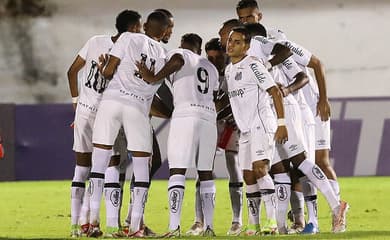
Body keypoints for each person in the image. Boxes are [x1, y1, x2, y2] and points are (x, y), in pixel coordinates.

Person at [236, 0, 348, 233]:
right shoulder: (243, 57)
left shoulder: (262, 41)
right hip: (267, 113)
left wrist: (268, 66)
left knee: (303, 164)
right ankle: (280, 226)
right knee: (282, 169)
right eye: (241, 19)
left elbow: (291, 56)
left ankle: (334, 208)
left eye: (232, 38)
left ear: (258, 17)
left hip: (288, 108)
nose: (230, 42)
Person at [87, 11, 170, 238]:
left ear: (145, 25)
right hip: (138, 108)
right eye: (169, 29)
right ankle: (135, 227)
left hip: (111, 102)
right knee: (143, 166)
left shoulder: (126, 38)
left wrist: (104, 67)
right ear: (164, 31)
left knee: (99, 163)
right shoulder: (165, 53)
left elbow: (109, 71)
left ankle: (93, 223)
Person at [66, 9, 141, 238]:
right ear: (133, 29)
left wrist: (76, 105)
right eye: (139, 28)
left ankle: (77, 227)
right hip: (107, 116)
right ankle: (105, 225)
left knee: (82, 169)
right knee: (110, 167)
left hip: (84, 114)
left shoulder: (95, 41)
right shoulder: (128, 53)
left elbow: (71, 72)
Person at [137, 33, 220, 237]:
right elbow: (216, 95)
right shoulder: (211, 67)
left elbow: (177, 60)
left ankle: (174, 228)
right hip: (209, 117)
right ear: (199, 49)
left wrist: (154, 78)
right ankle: (209, 227)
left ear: (183, 44)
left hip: (185, 114)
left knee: (177, 171)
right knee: (206, 173)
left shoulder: (179, 52)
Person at [225, 26, 288, 236]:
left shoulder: (253, 64)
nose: (231, 45)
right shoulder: (228, 70)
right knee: (249, 176)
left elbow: (275, 92)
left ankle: (272, 222)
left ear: (247, 46)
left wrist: (281, 123)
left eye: (237, 42)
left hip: (262, 123)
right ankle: (254, 224)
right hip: (245, 130)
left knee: (260, 169)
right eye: (230, 41)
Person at [122, 8, 175, 237]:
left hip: (118, 110)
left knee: (117, 166)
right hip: (134, 114)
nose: (170, 32)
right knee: (146, 164)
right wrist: (170, 109)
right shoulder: (156, 52)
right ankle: (134, 222)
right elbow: (155, 88)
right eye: (169, 28)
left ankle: (122, 219)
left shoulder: (131, 44)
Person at [185, 38, 244, 236]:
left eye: (218, 57)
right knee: (203, 170)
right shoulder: (202, 72)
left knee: (232, 164)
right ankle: (199, 221)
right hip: (209, 123)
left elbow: (239, 97)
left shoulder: (233, 71)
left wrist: (236, 117)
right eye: (210, 57)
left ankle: (237, 220)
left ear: (225, 55)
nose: (214, 61)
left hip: (229, 123)